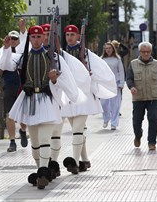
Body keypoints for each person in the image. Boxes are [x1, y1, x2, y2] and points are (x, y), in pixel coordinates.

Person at [9, 25, 79, 189]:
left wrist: (55, 80)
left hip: (47, 101)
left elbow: (66, 80)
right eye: (33, 37)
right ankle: (40, 169)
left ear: (43, 38)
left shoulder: (53, 57)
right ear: (30, 39)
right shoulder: (22, 57)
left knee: (45, 139)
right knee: (35, 144)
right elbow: (5, 64)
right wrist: (7, 48)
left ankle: (42, 174)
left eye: (39, 37)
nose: (36, 40)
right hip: (30, 101)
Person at [60, 24, 117, 174]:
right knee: (76, 130)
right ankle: (85, 160)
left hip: (84, 96)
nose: (70, 37)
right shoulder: (62, 53)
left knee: (77, 130)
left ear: (78, 36)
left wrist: (91, 76)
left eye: (73, 34)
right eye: (67, 35)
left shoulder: (86, 53)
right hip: (70, 96)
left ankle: (74, 162)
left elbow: (100, 69)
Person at [126, 41, 157, 151]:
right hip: (138, 97)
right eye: (144, 52)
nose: (146, 54)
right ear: (139, 52)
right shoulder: (133, 64)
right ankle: (138, 136)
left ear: (151, 52)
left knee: (153, 119)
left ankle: (152, 142)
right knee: (136, 121)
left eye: (148, 52)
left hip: (153, 97)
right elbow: (129, 78)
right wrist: (131, 87)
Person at [0, 21, 28, 152]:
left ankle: (22, 130)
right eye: (11, 38)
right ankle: (12, 141)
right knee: (10, 114)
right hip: (9, 86)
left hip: (22, 86)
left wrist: (22, 29)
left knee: (23, 114)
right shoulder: (3, 52)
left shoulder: (24, 52)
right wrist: (6, 49)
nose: (13, 41)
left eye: (16, 38)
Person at [100, 42, 125, 130]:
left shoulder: (117, 59)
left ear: (113, 49)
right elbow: (99, 72)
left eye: (109, 48)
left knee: (115, 104)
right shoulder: (102, 59)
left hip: (115, 83)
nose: (108, 50)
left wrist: (121, 83)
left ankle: (114, 123)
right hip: (105, 84)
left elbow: (121, 71)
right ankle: (106, 118)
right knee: (103, 103)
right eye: (106, 48)